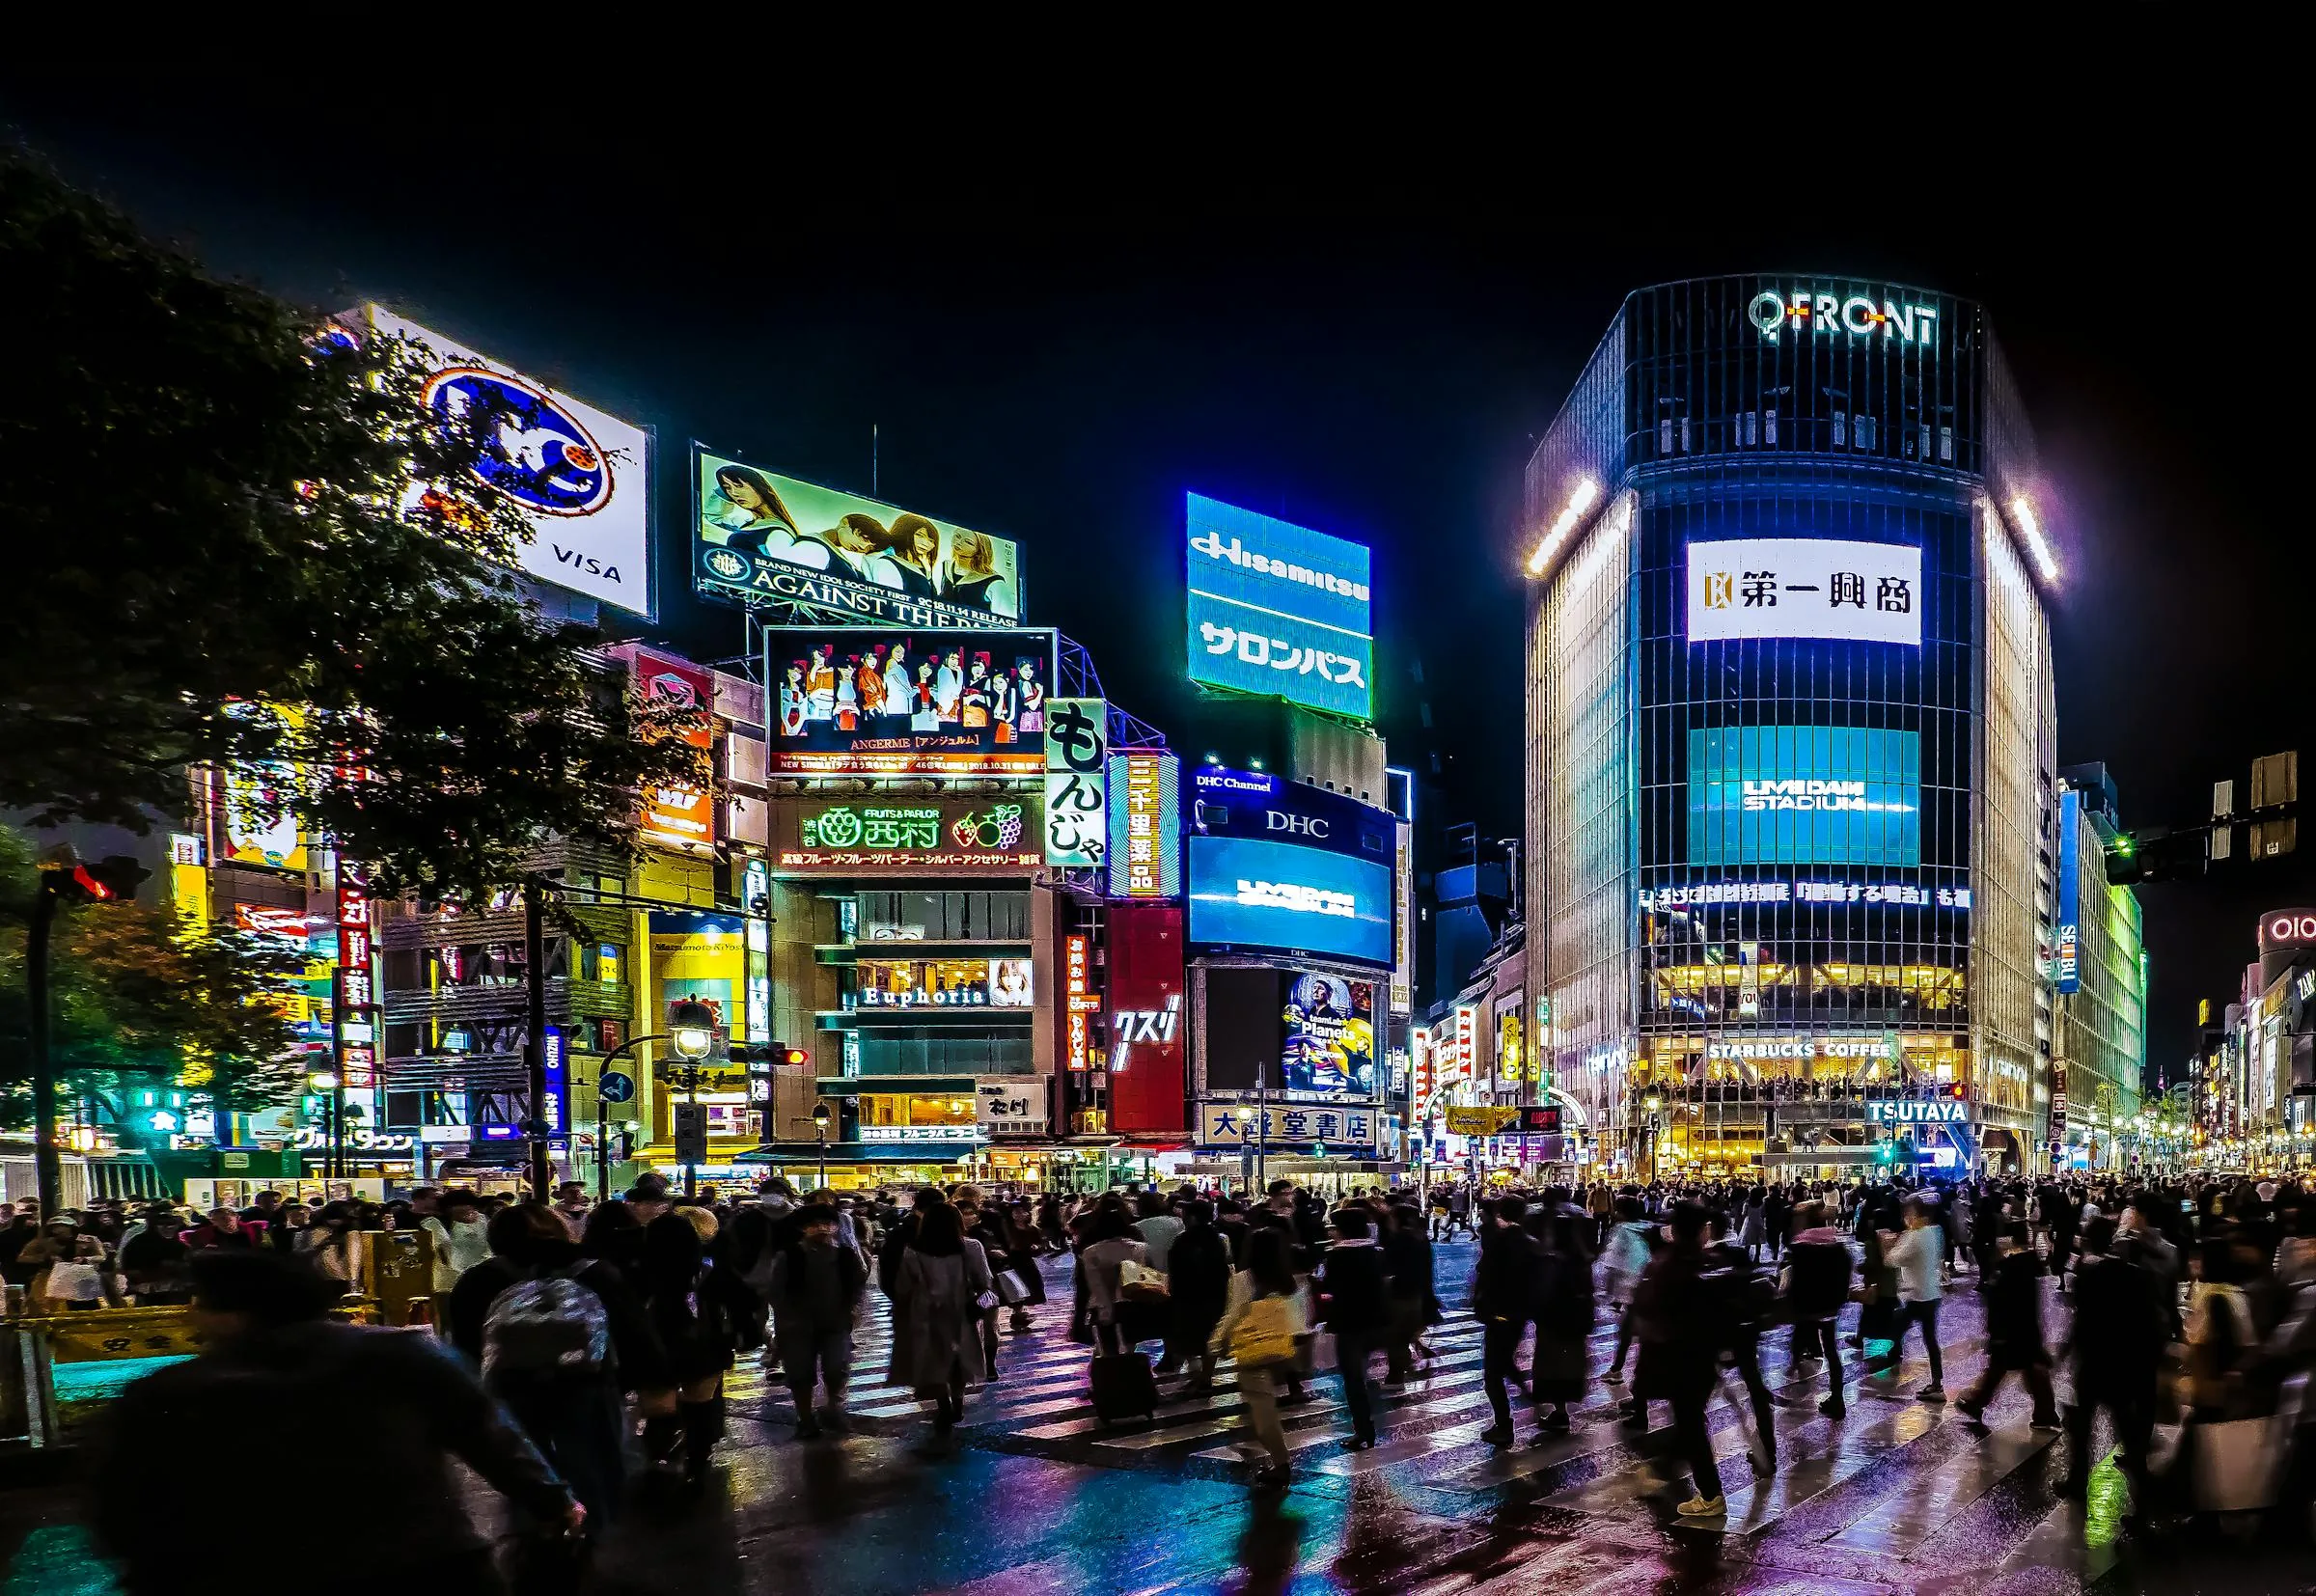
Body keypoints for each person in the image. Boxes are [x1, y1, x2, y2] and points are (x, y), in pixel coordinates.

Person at [91, 1250, 581, 1596]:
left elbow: (127, 1502)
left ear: (233, 1315)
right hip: (425, 1564)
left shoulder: (174, 1390)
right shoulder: (398, 1355)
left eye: (203, 1302)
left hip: (252, 1573)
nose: (192, 1313)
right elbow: (486, 1435)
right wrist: (551, 1501)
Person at [448, 1202, 665, 1534]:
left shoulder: (479, 1279)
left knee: (527, 1464)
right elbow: (633, 1330)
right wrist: (648, 1382)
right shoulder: (594, 1272)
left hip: (513, 1386)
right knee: (594, 1462)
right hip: (587, 1383)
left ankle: (537, 1529)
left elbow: (464, 1342)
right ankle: (592, 1533)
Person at [636, 1212, 754, 1486]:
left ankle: (660, 1454)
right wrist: (745, 1335)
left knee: (659, 1408)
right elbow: (742, 1303)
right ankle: (697, 1459)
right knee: (700, 1404)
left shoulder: (638, 1271)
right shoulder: (711, 1269)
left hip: (653, 1348)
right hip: (704, 1347)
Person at [1632, 1201, 1728, 1518]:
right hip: (1702, 1358)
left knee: (1690, 1422)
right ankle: (1665, 1468)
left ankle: (1709, 1493)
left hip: (1676, 1359)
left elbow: (1644, 1309)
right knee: (1690, 1419)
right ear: (1703, 1231)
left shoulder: (1665, 1265)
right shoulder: (1711, 1262)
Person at [1211, 1226, 1305, 1489]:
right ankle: (1274, 1457)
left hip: (1255, 1349)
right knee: (1261, 1404)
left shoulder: (1243, 1279)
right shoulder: (1288, 1280)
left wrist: (1216, 1342)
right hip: (1283, 1348)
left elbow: (1233, 1314)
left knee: (1263, 1409)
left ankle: (1281, 1464)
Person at [893, 1197, 992, 1430]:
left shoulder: (913, 1251)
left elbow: (904, 1287)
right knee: (958, 1361)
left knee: (934, 1361)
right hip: (961, 1312)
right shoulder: (971, 1247)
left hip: (925, 1314)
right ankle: (957, 1403)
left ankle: (943, 1405)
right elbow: (985, 1280)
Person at [768, 1205, 867, 1438]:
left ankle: (834, 1408)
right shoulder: (789, 1256)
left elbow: (857, 1285)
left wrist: (853, 1309)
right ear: (804, 1228)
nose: (822, 1228)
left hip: (836, 1322)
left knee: (836, 1367)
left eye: (827, 1223)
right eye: (815, 1224)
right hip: (797, 1326)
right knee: (800, 1373)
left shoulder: (845, 1255)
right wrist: (787, 1318)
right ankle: (805, 1417)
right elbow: (775, 1291)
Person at [1956, 1221, 2060, 1431]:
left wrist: (1996, 1330)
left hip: (2014, 1328)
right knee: (2020, 1368)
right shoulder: (2027, 1264)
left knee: (2008, 1366)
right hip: (2024, 1328)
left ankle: (2045, 1413)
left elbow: (2003, 1300)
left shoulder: (2012, 1267)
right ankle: (2045, 1414)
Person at [1528, 1194, 1596, 1436]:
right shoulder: (1582, 1260)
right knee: (1569, 1367)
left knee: (1553, 1368)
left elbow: (1544, 1293)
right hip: (1575, 1324)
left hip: (1554, 1324)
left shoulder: (1553, 1261)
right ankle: (1561, 1411)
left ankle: (1560, 1413)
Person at [1780, 1200, 1856, 1417]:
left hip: (1806, 1307)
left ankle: (1795, 1368)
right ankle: (1837, 1399)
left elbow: (1795, 1281)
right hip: (1830, 1308)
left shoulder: (1800, 1248)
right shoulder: (1837, 1247)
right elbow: (1845, 1276)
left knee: (1799, 1335)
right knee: (1832, 1352)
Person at [1876, 1198, 1947, 1401]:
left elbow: (1891, 1260)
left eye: (1910, 1214)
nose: (1906, 1218)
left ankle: (1892, 1360)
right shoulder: (1935, 1232)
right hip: (1931, 1294)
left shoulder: (1913, 1237)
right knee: (1930, 1339)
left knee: (1895, 1326)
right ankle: (1936, 1383)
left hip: (1916, 1296)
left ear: (1920, 1216)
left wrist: (1885, 1243)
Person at [1167, 1199, 1233, 1394]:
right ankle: (1205, 1376)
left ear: (1192, 1217)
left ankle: (1199, 1378)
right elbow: (1227, 1265)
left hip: (1188, 1296)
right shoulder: (1219, 1238)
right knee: (1210, 1336)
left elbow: (1175, 1270)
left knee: (1190, 1337)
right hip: (1215, 1293)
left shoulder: (1182, 1240)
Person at [1381, 1202, 1440, 1384]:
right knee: (1403, 1334)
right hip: (1417, 1294)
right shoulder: (1420, 1238)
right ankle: (1403, 1365)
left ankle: (1396, 1376)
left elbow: (1388, 1267)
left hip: (1400, 1294)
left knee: (1396, 1337)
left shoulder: (1398, 1240)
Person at [1598, 1196, 1652, 1386]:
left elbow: (1611, 1262)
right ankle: (1620, 1370)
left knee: (1629, 1332)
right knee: (1631, 1331)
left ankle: (1624, 1374)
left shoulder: (1621, 1231)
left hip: (1632, 1289)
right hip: (1647, 1286)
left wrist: (1608, 1292)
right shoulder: (1646, 1228)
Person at [423, 1190, 491, 1300]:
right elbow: (442, 1251)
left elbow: (490, 1246)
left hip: (481, 1281)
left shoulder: (483, 1220)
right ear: (449, 1208)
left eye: (470, 1206)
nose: (468, 1210)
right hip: (449, 1284)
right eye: (461, 1206)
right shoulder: (434, 1223)